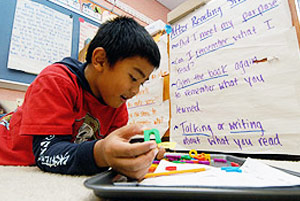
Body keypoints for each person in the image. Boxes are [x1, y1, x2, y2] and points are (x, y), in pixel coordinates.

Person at [0, 16, 165, 180]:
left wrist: (139, 152)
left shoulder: (117, 107)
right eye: (134, 78)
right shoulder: (56, 81)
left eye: (142, 84)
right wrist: (100, 153)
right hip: (6, 153)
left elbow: (110, 148)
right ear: (100, 60)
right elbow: (46, 154)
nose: (135, 90)